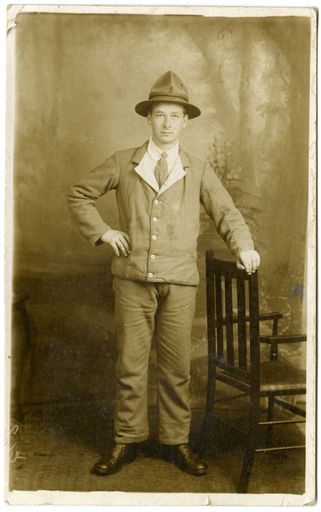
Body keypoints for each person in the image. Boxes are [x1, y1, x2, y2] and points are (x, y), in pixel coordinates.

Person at [68, 71, 260, 477]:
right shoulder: (124, 161)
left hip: (179, 284)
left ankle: (175, 442)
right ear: (149, 119)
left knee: (176, 369)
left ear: (185, 121)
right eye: (160, 115)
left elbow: (226, 213)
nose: (167, 123)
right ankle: (127, 439)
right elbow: (79, 194)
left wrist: (243, 245)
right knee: (131, 365)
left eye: (175, 115)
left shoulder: (199, 168)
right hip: (132, 280)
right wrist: (103, 231)